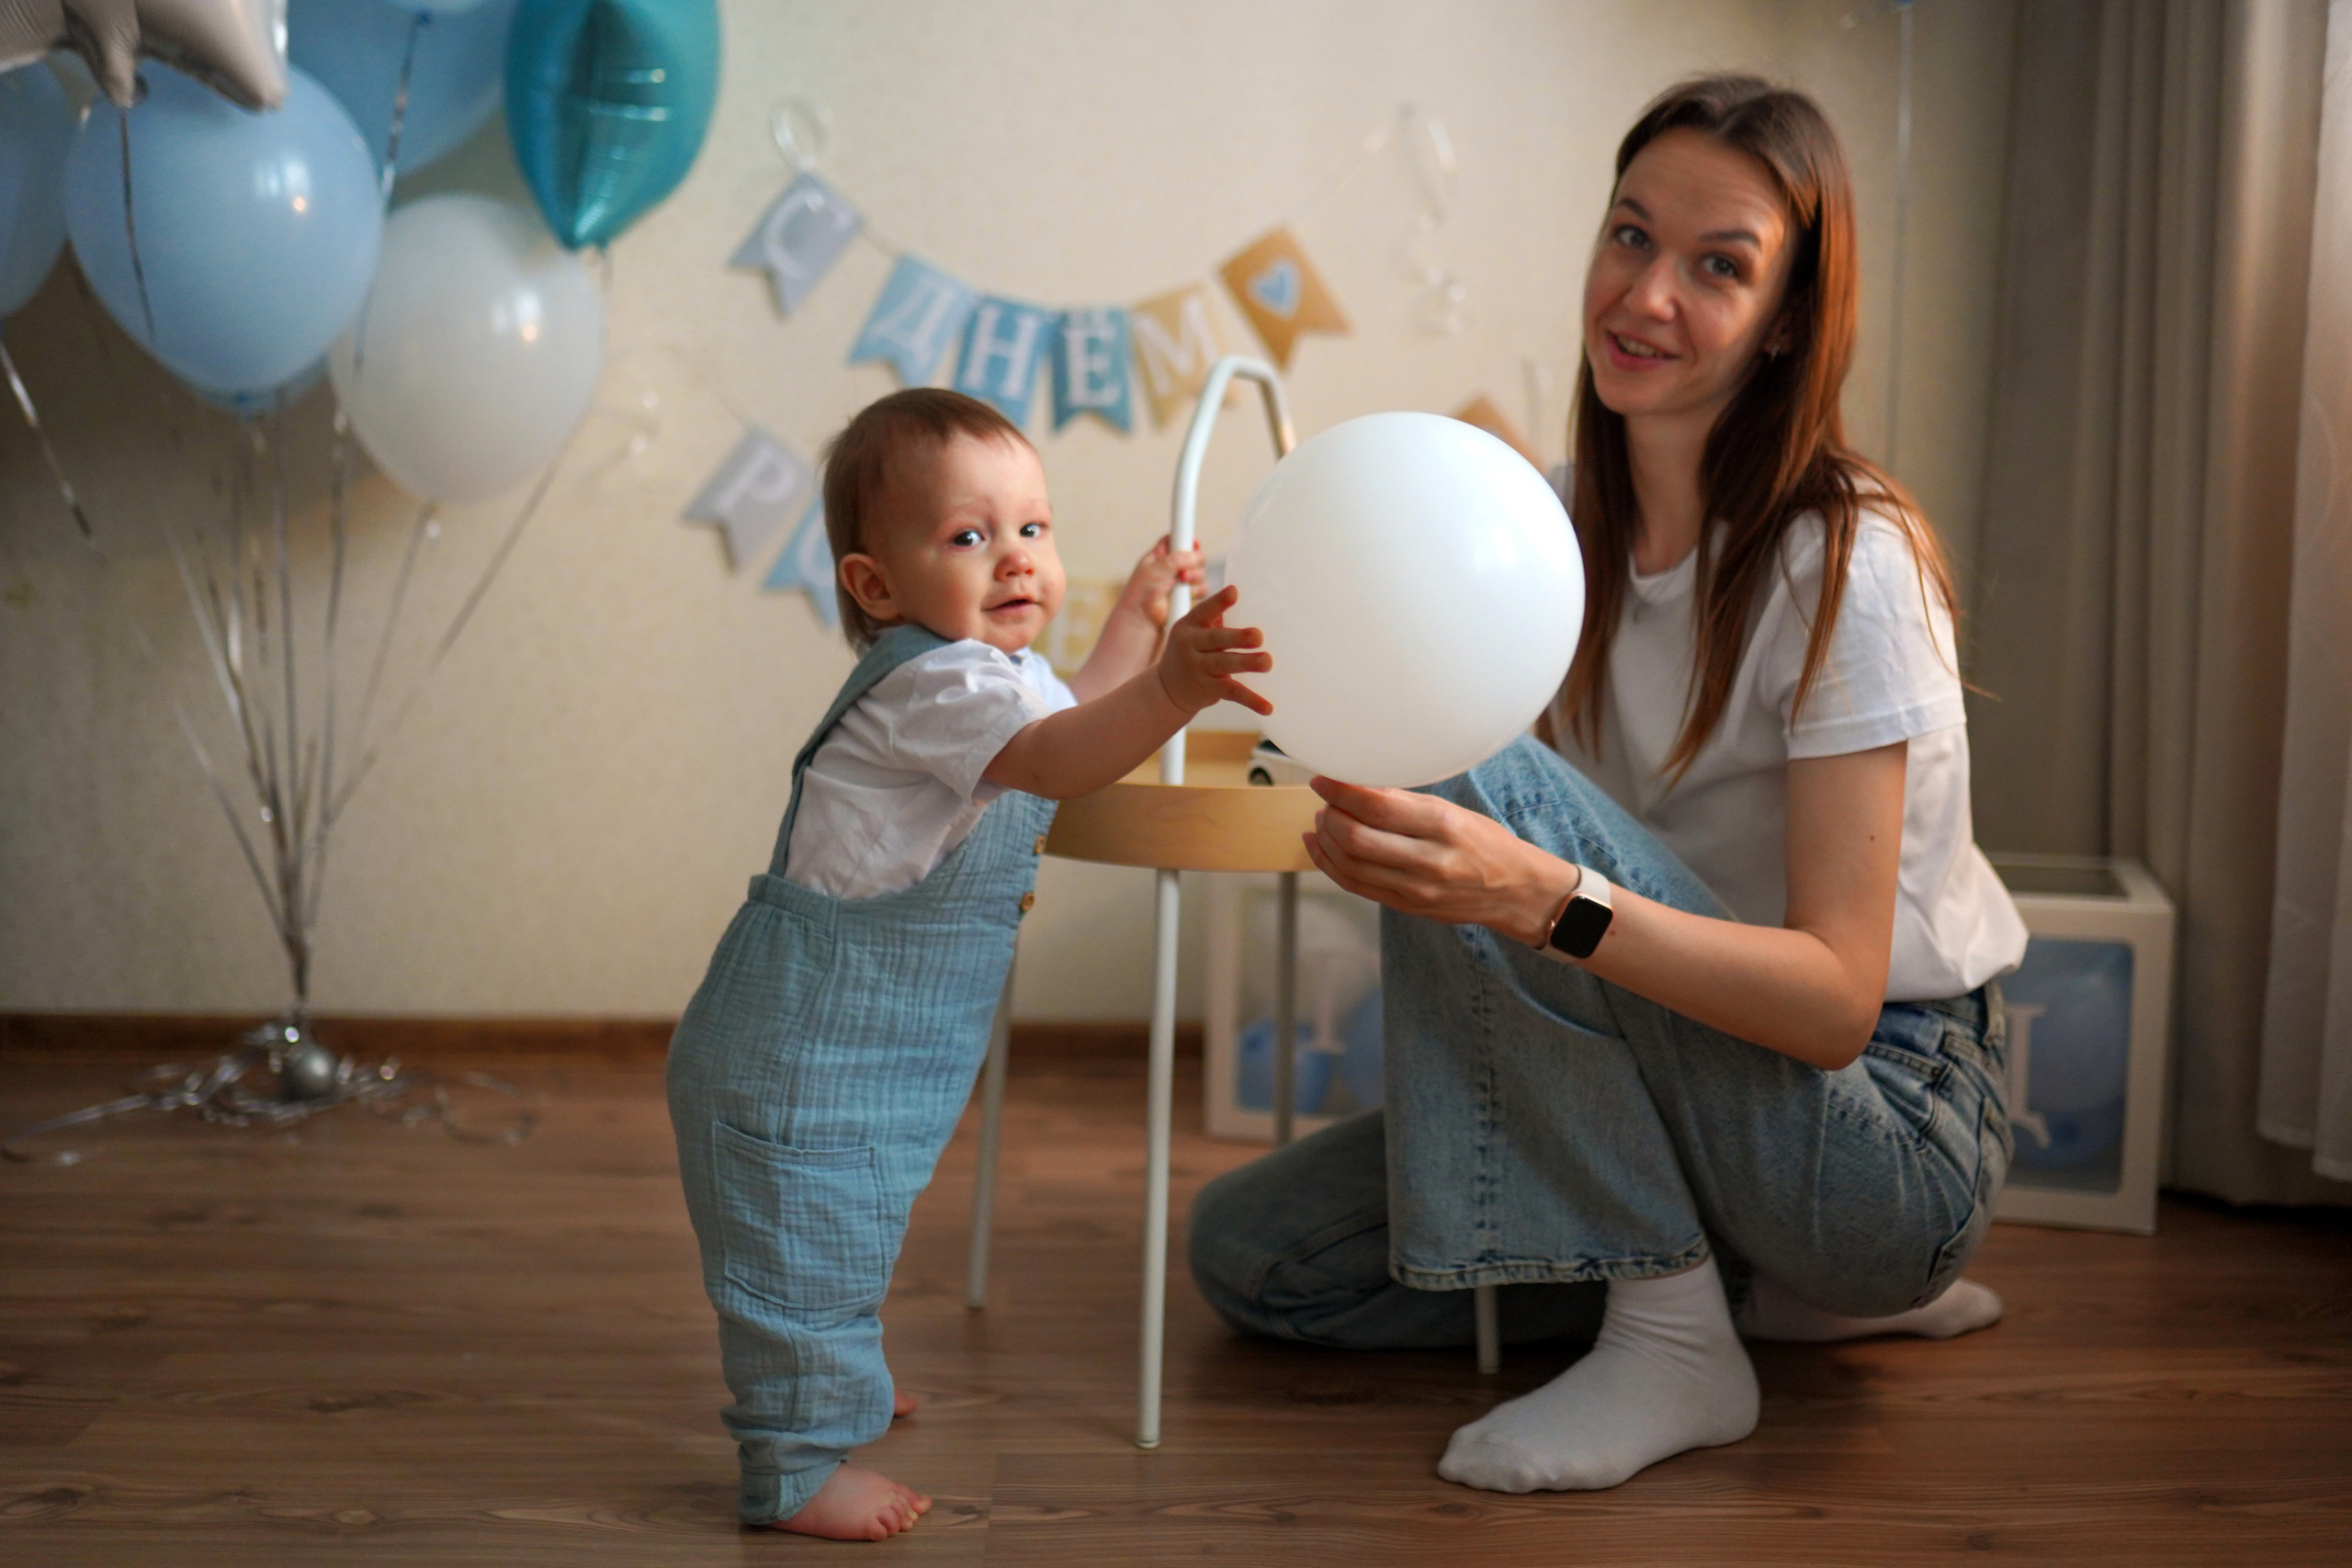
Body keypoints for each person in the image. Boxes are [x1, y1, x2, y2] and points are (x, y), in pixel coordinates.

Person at [1188, 73, 2027, 1496]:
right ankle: (1745, 1286)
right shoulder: (1542, 529)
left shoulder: (1850, 560)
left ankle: (1678, 1330)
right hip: (1675, 1084)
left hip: (1884, 1120)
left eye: (1719, 267)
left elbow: (1832, 1000)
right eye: (1631, 237)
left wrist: (1545, 898)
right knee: (1257, 1257)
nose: (1646, 293)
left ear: (1785, 325)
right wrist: (1225, 667)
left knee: (1451, 750)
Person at [667, 389, 1271, 1540]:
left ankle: (836, 1372)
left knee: (851, 1223)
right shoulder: (931, 685)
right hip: (799, 1050)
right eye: (969, 536)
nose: (1016, 560)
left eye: (1034, 530)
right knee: (802, 1243)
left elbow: (1074, 708)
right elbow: (1060, 757)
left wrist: (1138, 629)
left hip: (858, 1044)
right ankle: (790, 1464)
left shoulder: (990, 680)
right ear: (876, 588)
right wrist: (1178, 687)